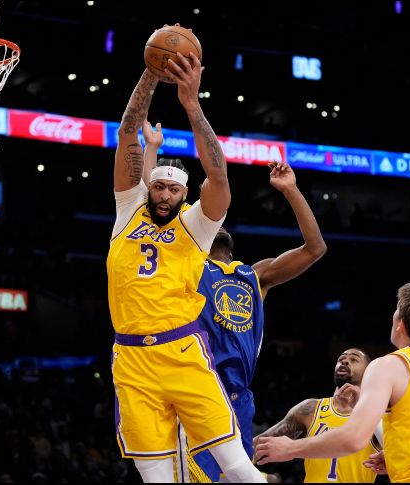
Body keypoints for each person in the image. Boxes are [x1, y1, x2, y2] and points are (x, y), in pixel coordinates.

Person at [107, 40, 265, 483]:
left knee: (237, 465)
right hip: (131, 359)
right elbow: (127, 134)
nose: (163, 195)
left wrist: (191, 104)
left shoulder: (197, 225)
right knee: (156, 477)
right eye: (158, 187)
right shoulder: (128, 210)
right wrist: (151, 72)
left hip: (183, 352)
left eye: (173, 190)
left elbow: (218, 175)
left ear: (185, 194)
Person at [141, 127, 326, 482]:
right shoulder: (186, 264)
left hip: (239, 398)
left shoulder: (256, 276)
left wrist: (290, 190)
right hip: (195, 388)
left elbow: (315, 248)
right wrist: (152, 151)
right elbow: (151, 209)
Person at [254, 281, 410, 483]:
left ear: (400, 323)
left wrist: (291, 448)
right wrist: (398, 457)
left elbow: (353, 438)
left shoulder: (390, 365)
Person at [254, 348, 379, 483]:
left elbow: (396, 454)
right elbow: (257, 445)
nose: (345, 361)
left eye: (354, 359)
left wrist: (366, 404)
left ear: (368, 373)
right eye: (341, 359)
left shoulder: (377, 415)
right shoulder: (310, 409)